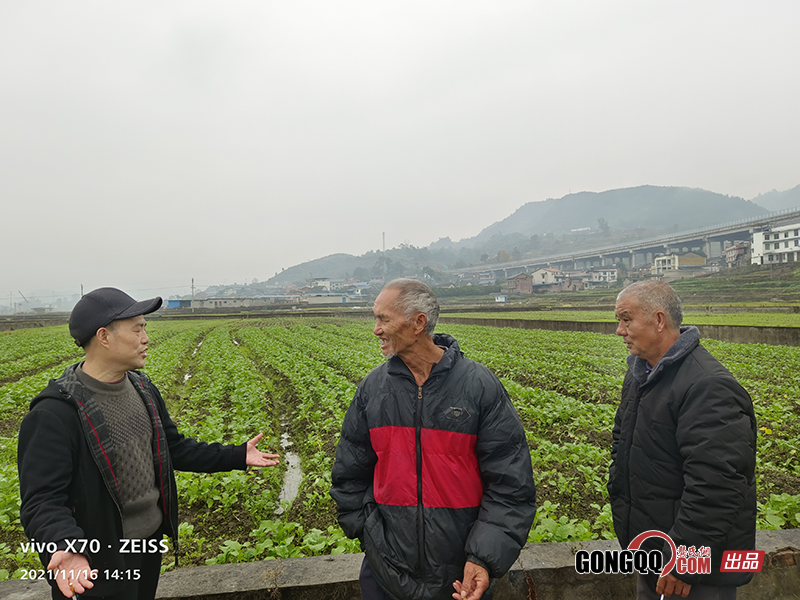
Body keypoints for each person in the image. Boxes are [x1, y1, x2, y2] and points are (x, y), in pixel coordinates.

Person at [17, 287, 280, 600]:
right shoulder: (56, 413)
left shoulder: (142, 388)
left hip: (147, 546)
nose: (146, 337)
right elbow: (42, 500)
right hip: (92, 562)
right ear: (104, 337)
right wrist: (64, 546)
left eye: (145, 328)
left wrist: (236, 455)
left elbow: (173, 448)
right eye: (137, 328)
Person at [330, 279, 536, 600]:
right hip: (386, 573)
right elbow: (349, 474)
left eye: (384, 319)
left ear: (418, 323)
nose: (376, 329)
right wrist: (369, 534)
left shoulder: (478, 386)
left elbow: (510, 485)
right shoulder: (373, 390)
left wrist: (482, 556)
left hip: (460, 577)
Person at [608, 281, 756, 599]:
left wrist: (684, 559)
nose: (619, 330)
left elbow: (718, 485)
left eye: (625, 318)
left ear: (659, 320)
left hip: (694, 570)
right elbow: (622, 442)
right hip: (655, 552)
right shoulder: (641, 376)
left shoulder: (707, 386)